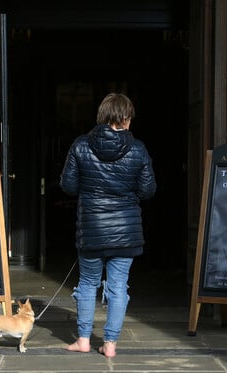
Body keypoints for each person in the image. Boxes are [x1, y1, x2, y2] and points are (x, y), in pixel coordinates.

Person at [60, 93, 156, 358]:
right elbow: (148, 190)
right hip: (126, 232)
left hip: (91, 228)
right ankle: (110, 344)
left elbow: (68, 186)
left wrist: (91, 191)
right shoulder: (138, 149)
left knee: (88, 283)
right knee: (118, 287)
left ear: (103, 117)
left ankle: (83, 340)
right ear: (125, 118)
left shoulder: (80, 145)